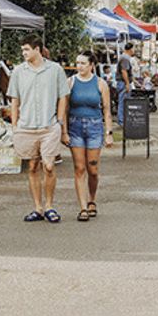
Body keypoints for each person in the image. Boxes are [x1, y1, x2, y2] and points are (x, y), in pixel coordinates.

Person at [9, 34, 70, 223]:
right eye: (23, 50)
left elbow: (63, 96)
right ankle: (38, 207)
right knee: (33, 166)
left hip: (49, 125)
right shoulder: (19, 71)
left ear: (37, 49)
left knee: (49, 166)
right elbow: (14, 99)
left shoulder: (55, 70)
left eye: (27, 49)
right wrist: (14, 125)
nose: (24, 53)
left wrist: (59, 121)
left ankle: (50, 206)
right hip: (26, 126)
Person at [67, 51, 113, 221]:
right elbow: (64, 108)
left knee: (92, 169)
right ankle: (83, 207)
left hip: (94, 127)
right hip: (75, 126)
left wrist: (109, 133)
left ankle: (92, 199)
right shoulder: (70, 82)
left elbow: (107, 110)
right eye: (77, 63)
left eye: (83, 63)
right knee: (79, 168)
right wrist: (63, 131)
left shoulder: (100, 84)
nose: (79, 66)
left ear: (91, 65)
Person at [115, 42, 134, 125]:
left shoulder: (124, 57)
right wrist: (127, 83)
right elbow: (124, 71)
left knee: (123, 101)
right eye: (134, 48)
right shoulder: (125, 58)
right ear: (130, 49)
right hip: (123, 82)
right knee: (123, 102)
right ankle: (121, 121)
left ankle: (122, 120)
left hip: (122, 82)